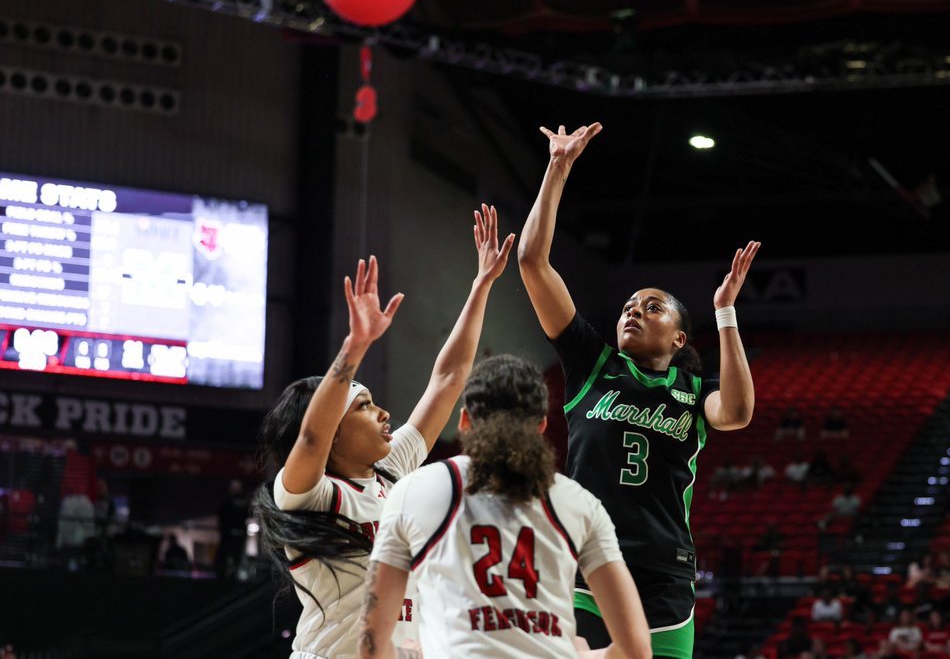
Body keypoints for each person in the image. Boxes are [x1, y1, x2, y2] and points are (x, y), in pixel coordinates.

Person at [517, 122, 760, 659]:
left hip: (665, 568)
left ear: (678, 336)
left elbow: (739, 412)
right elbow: (533, 263)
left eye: (652, 307)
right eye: (629, 304)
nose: (634, 310)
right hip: (588, 559)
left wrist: (725, 312)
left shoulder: (696, 391)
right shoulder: (589, 363)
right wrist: (558, 168)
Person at [253, 205, 513, 659]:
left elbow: (449, 380)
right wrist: (355, 346)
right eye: (364, 405)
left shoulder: (390, 472)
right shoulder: (307, 494)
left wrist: (481, 286)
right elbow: (310, 438)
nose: (384, 413)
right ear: (332, 428)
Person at [358, 355, 652, 659]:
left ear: (464, 421)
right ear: (541, 426)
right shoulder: (580, 502)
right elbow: (637, 649)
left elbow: (372, 646)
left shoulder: (414, 490)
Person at [215, 479, 251, 579]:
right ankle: (223, 575)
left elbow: (247, 516)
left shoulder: (243, 504)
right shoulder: (226, 503)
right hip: (228, 534)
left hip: (238, 535)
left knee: (236, 556)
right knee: (225, 556)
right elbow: (221, 517)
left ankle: (232, 575)